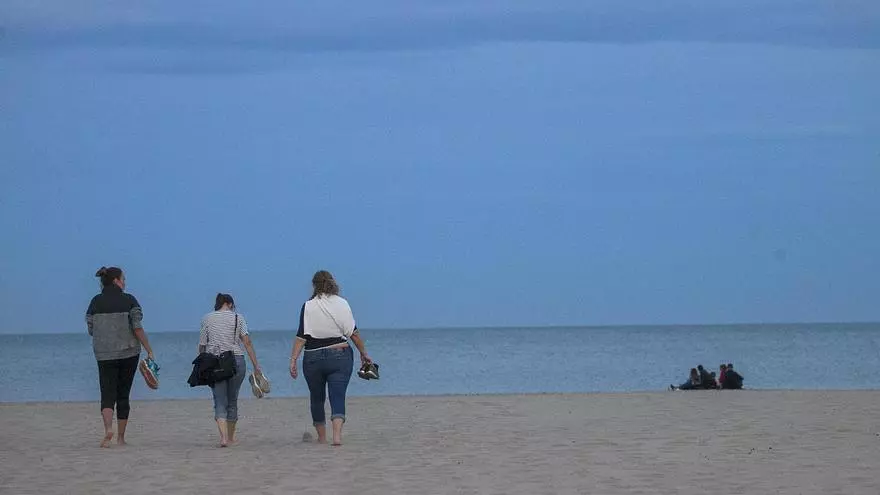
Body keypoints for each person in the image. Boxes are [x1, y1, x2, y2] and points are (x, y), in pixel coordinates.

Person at [289, 270, 372, 446]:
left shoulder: (308, 306)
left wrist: (293, 360)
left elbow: (301, 336)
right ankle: (336, 437)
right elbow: (353, 334)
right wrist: (364, 354)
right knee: (338, 395)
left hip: (313, 357)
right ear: (332, 283)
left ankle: (321, 438)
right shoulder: (342, 304)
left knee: (317, 397)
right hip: (339, 355)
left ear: (314, 286)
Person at [86, 266, 156, 448]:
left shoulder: (95, 302)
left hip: (103, 354)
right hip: (128, 352)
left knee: (107, 392)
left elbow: (91, 329)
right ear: (116, 280)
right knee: (123, 394)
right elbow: (137, 327)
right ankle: (121, 438)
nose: (124, 282)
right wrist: (149, 349)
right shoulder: (129, 300)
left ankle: (108, 429)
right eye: (123, 279)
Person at [199, 293, 263, 447]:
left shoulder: (207, 318)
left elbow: (202, 344)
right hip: (236, 361)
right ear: (229, 303)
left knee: (220, 401)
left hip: (215, 363)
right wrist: (256, 365)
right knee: (232, 400)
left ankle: (223, 438)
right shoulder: (238, 318)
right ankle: (231, 437)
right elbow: (247, 342)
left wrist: (201, 363)